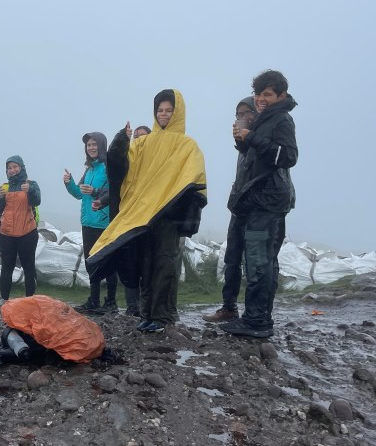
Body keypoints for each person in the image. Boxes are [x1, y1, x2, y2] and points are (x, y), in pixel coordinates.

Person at [87, 89, 207, 333]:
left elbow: (195, 180)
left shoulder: (187, 146)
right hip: (143, 215)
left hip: (168, 216)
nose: (164, 115)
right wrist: (121, 141)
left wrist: (184, 215)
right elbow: (122, 168)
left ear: (178, 112)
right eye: (160, 110)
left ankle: (163, 316)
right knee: (145, 265)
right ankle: (147, 313)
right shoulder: (143, 144)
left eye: (169, 110)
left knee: (165, 264)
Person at [219, 70, 297, 338]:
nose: (261, 99)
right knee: (260, 262)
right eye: (258, 94)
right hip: (259, 200)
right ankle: (260, 318)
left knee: (259, 262)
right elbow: (259, 158)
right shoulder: (268, 119)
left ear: (281, 96)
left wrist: (251, 137)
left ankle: (256, 322)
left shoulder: (282, 120)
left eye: (267, 94)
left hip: (267, 201)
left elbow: (287, 156)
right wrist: (242, 141)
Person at [202, 97, 260, 323]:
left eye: (247, 113)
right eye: (238, 115)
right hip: (239, 209)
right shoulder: (243, 149)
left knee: (256, 263)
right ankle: (229, 307)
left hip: (258, 211)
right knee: (232, 259)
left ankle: (255, 314)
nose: (241, 119)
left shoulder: (262, 142)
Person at [64, 132, 119, 314]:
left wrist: (95, 191)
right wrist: (69, 182)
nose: (91, 148)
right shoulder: (89, 169)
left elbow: (113, 192)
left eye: (94, 144)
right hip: (87, 221)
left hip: (104, 222)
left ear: (102, 146)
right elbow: (79, 193)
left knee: (109, 263)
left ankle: (111, 302)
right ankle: (93, 300)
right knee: (91, 263)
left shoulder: (107, 167)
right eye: (88, 145)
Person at [0, 156, 41, 300]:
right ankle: (4, 302)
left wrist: (30, 191)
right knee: (6, 268)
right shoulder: (4, 187)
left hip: (28, 233)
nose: (12, 170)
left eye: (15, 167)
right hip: (6, 234)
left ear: (21, 168)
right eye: (9, 168)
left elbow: (37, 201)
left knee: (29, 268)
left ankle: (30, 301)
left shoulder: (31, 184)